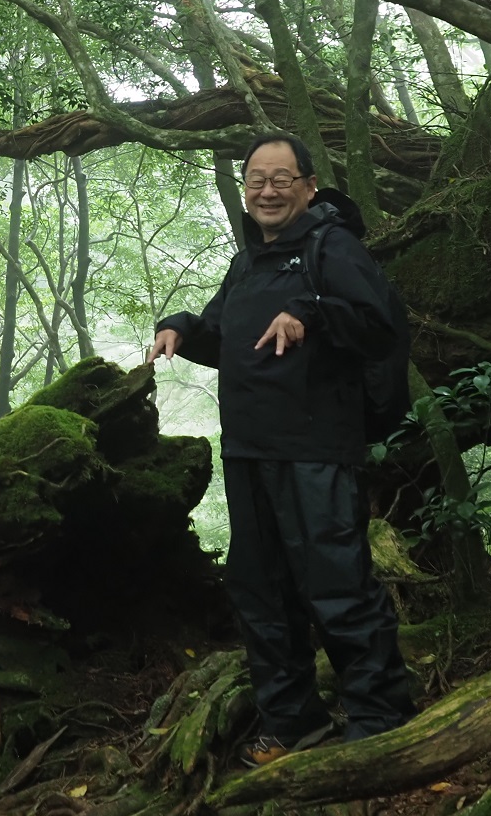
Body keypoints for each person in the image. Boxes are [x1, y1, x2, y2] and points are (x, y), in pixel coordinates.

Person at [148, 133, 416, 765]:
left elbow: (380, 323)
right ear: (246, 189)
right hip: (249, 451)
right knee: (261, 590)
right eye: (256, 181)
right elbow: (223, 335)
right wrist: (180, 329)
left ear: (308, 187)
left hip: (318, 448)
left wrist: (312, 316)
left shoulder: (332, 246)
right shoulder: (247, 264)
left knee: (337, 582)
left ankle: (381, 719)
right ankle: (293, 722)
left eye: (281, 179)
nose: (267, 191)